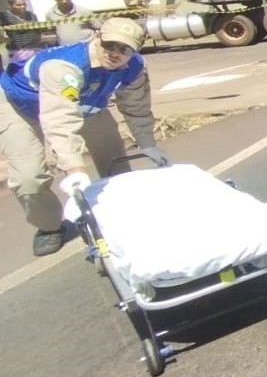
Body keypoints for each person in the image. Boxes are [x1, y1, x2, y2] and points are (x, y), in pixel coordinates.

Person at [0, 18, 168, 256]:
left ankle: (120, 211)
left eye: (125, 49)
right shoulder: (65, 66)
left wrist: (148, 143)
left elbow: (136, 106)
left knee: (114, 160)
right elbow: (60, 119)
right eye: (110, 45)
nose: (115, 53)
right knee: (29, 177)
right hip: (22, 105)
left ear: (135, 50)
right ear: (96, 37)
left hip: (86, 102)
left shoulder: (135, 66)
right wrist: (74, 169)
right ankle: (49, 227)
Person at [1, 0, 47, 67]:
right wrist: (8, 40)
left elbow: (39, 31)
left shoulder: (31, 15)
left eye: (24, 4)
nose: (22, 7)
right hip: (19, 52)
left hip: (37, 49)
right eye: (18, 5)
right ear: (10, 6)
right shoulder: (4, 17)